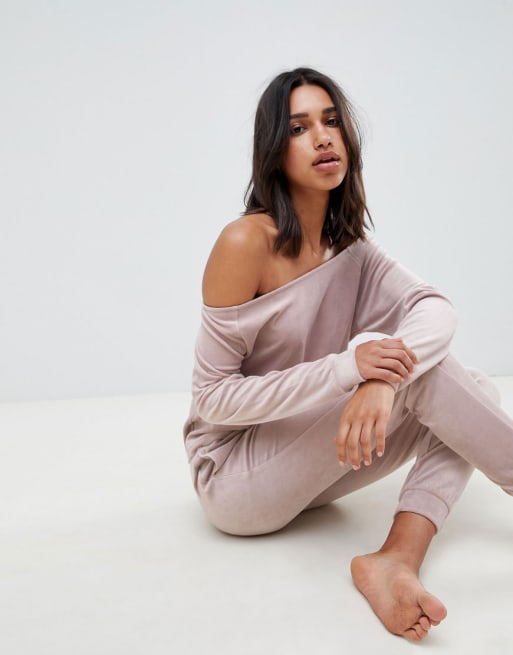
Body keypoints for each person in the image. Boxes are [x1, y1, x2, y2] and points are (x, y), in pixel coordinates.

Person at [183, 67, 513, 642]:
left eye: (331, 121)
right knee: (429, 378)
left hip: (303, 462)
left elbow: (435, 308)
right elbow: (212, 400)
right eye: (299, 128)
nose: (322, 137)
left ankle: (396, 559)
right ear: (273, 149)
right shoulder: (246, 242)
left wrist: (381, 381)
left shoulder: (350, 249)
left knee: (473, 389)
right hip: (234, 477)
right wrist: (346, 369)